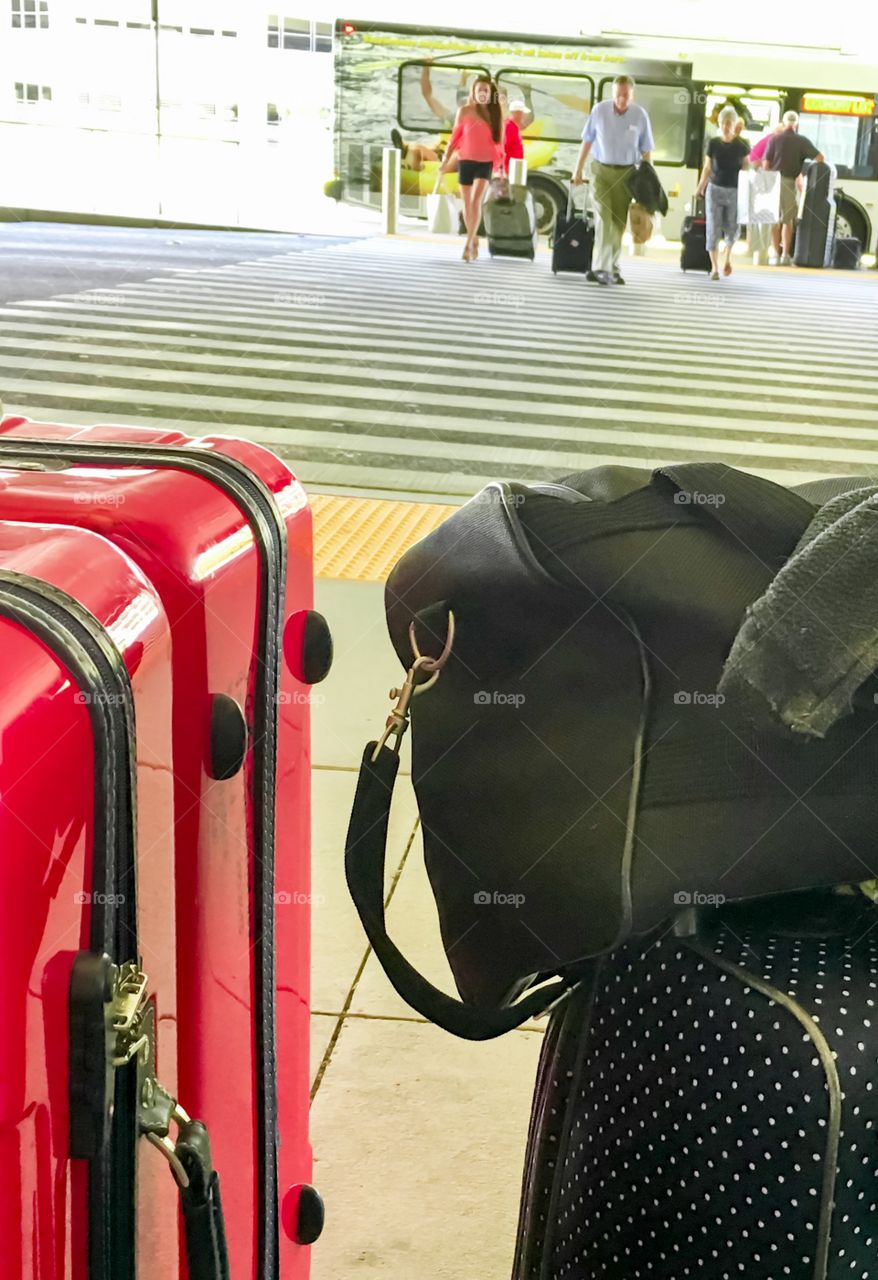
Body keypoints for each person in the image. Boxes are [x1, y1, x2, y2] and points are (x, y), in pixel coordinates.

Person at [572, 74, 654, 285]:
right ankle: (601, 267)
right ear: (613, 93)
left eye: (626, 95)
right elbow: (587, 140)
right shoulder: (599, 111)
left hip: (627, 174)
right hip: (601, 171)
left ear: (632, 94)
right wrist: (578, 169)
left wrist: (648, 179)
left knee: (617, 223)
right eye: (618, 95)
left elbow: (646, 150)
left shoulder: (640, 115)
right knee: (603, 218)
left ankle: (613, 266)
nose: (621, 100)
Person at [440, 78, 503, 262]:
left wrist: (501, 167)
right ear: (473, 92)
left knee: (476, 201)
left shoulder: (495, 114)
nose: (483, 93)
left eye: (486, 90)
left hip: (485, 163)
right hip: (466, 161)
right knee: (467, 203)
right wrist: (445, 161)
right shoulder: (464, 111)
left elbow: (500, 143)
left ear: (490, 94)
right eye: (479, 89)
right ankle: (473, 237)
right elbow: (454, 138)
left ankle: (468, 244)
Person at [763, 110, 824, 265]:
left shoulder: (774, 139)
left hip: (774, 182)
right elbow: (820, 158)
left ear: (784, 123)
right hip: (790, 182)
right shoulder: (802, 141)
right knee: (787, 220)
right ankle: (785, 256)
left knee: (773, 220)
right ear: (796, 124)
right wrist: (803, 172)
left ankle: (775, 255)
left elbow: (765, 164)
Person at [696, 106, 750, 280]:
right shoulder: (713, 143)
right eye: (722, 123)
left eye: (728, 123)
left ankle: (727, 258)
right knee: (713, 227)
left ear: (735, 124)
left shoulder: (742, 145)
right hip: (715, 189)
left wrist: (748, 190)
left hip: (734, 191)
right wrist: (700, 187)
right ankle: (714, 268)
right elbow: (707, 167)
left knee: (732, 227)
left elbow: (746, 168)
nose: (725, 126)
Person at [503, 98, 528, 173]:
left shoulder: (514, 126)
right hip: (508, 166)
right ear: (516, 113)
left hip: (514, 165)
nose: (523, 115)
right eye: (522, 113)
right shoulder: (508, 126)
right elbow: (504, 146)